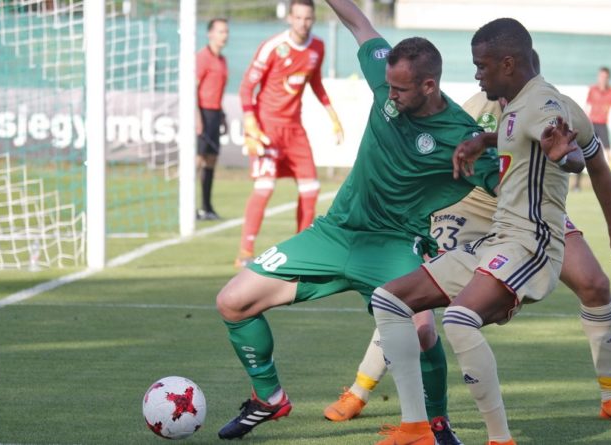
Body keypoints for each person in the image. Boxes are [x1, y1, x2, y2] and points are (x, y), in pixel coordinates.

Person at [213, 0, 500, 442]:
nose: (391, 96)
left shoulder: (460, 137)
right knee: (233, 301)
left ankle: (437, 425)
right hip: (336, 232)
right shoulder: (389, 79)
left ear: (428, 85)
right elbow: (358, 21)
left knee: (423, 331)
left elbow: (507, 182)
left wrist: (562, 156)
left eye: (401, 91)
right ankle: (269, 398)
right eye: (388, 86)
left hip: (395, 243)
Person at [326, 50, 611, 428]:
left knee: (595, 284)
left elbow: (584, 160)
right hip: (470, 206)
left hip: (531, 212)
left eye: (484, 67)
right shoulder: (474, 106)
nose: (480, 75)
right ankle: (360, 389)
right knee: (411, 300)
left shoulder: (553, 106)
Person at [370, 18, 586, 445]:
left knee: (459, 319)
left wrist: (566, 155)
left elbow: (565, 146)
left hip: (532, 244)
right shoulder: (513, 106)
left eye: (481, 66)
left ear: (508, 63)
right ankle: (415, 428)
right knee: (389, 299)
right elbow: (515, 135)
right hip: (496, 241)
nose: (476, 74)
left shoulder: (543, 105)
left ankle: (499, 439)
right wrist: (482, 142)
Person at [236, 0, 344, 266]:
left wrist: (333, 115)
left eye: (307, 18)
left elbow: (315, 83)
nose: (302, 23)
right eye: (297, 17)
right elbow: (246, 87)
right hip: (267, 128)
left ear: (313, 19)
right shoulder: (273, 47)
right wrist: (250, 122)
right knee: (264, 187)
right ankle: (245, 252)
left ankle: (300, 249)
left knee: (311, 188)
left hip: (295, 129)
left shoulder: (317, 46)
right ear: (290, 18)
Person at [195, 18, 229, 221]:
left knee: (211, 160)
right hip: (202, 112)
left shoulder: (222, 60)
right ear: (210, 34)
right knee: (197, 160)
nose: (224, 35)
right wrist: (197, 117)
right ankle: (187, 207)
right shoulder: (202, 57)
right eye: (221, 31)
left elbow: (217, 90)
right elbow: (194, 88)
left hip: (215, 113)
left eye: (226, 32)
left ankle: (207, 207)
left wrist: (222, 114)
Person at [576, 66, 611, 191]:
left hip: (603, 125)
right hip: (591, 125)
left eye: (604, 77)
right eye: (600, 76)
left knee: (609, 154)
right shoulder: (593, 90)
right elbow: (586, 107)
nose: (602, 79)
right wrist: (582, 122)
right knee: (582, 153)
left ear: (608, 78)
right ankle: (577, 184)